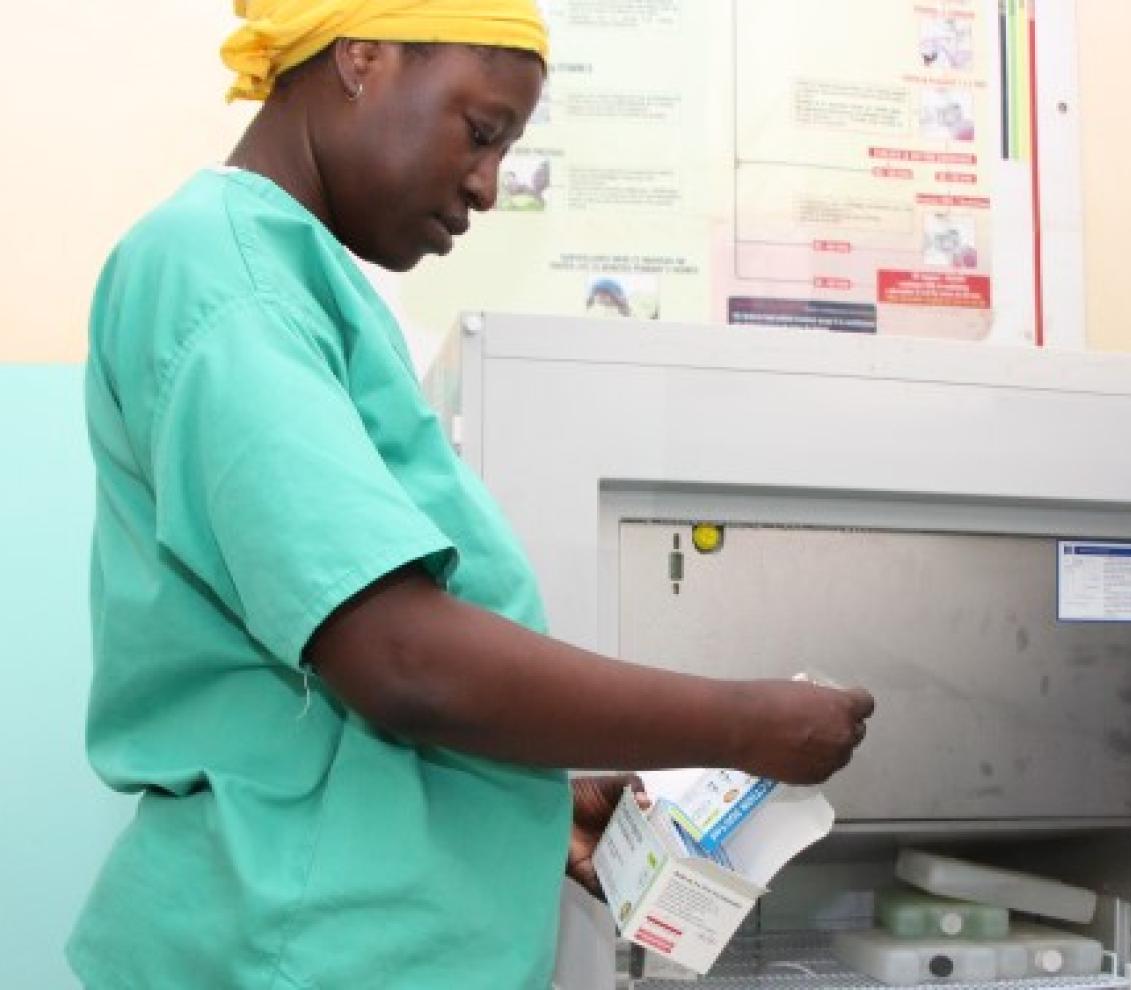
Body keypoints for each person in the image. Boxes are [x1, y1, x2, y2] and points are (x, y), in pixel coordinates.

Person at [68, 2, 875, 987]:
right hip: (295, 951)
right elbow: (400, 659)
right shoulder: (221, 270)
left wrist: (528, 795)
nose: (490, 186)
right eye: (482, 131)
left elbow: (339, 682)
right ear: (361, 56)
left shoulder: (298, 284)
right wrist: (744, 725)